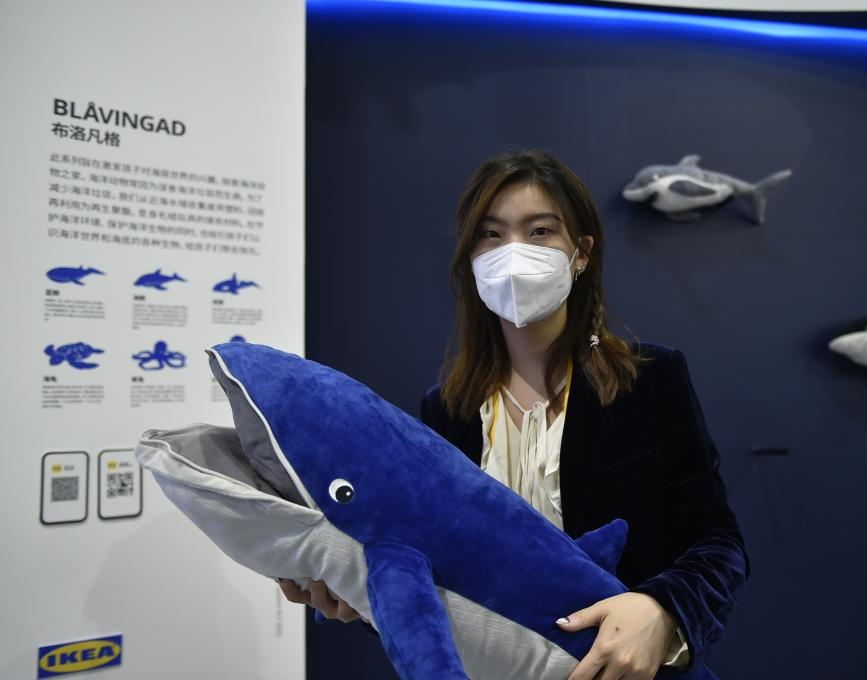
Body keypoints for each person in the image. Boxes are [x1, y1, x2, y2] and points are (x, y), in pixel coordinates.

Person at [281, 150, 750, 680]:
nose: (514, 252)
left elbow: (719, 543)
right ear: (471, 258)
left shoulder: (650, 380)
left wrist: (661, 610)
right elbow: (440, 585)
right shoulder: (447, 412)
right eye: (491, 234)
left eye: (540, 231)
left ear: (581, 253)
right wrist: (355, 596)